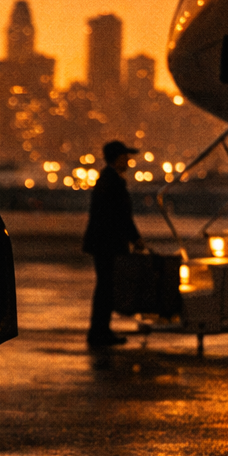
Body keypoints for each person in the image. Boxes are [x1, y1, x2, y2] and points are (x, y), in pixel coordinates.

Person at [82, 139, 145, 347]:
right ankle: (100, 332)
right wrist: (135, 238)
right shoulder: (113, 182)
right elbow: (122, 216)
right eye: (126, 156)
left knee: (105, 287)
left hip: (103, 243)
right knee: (106, 288)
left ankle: (100, 330)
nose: (128, 160)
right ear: (118, 158)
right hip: (108, 244)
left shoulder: (107, 179)